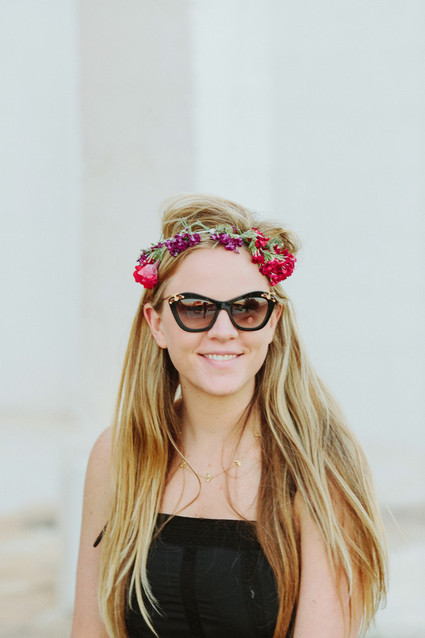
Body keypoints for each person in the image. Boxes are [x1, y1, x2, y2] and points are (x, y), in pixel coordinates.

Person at [71, 194, 387, 638]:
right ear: (157, 323)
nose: (224, 331)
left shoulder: (318, 468)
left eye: (247, 307)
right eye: (195, 308)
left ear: (272, 321)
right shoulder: (116, 454)